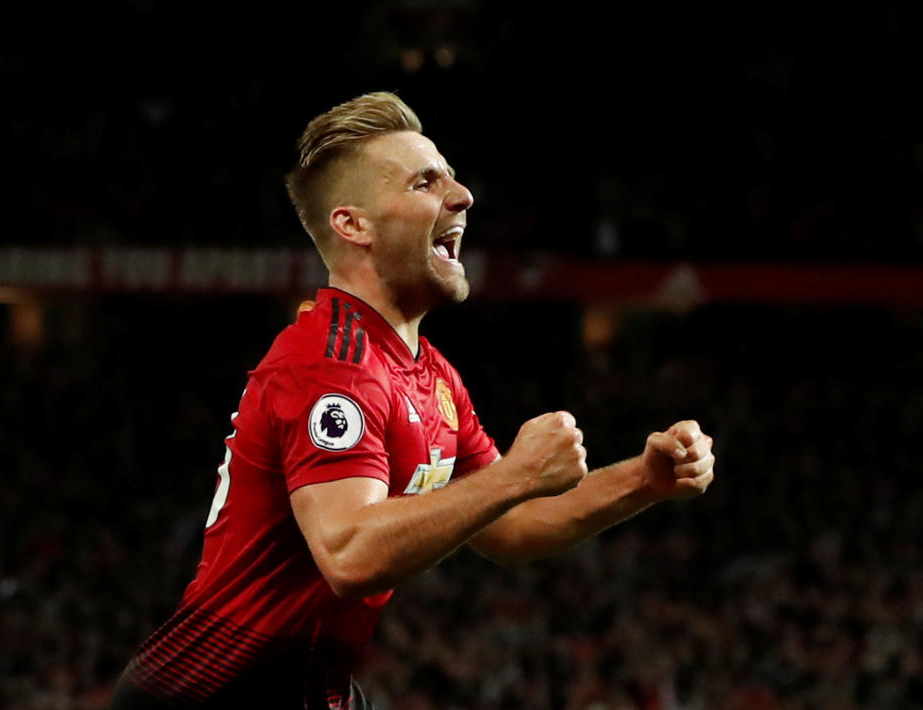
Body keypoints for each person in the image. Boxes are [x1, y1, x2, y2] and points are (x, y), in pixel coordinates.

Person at [110, 91, 715, 709]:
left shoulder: (433, 377)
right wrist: (515, 474)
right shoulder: (329, 362)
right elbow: (350, 553)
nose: (462, 196)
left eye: (451, 178)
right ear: (354, 225)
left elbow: (510, 525)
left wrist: (643, 480)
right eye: (427, 183)